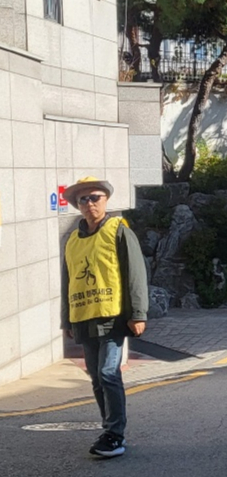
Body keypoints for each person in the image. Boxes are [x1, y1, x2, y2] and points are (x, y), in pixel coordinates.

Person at [60, 176, 148, 458]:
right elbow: (68, 281)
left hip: (112, 316)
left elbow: (134, 273)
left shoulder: (119, 231)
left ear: (106, 200)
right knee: (96, 378)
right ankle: (108, 429)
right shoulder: (72, 240)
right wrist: (67, 320)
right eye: (83, 199)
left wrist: (137, 313)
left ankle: (114, 434)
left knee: (109, 373)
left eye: (95, 197)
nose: (89, 204)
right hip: (84, 317)